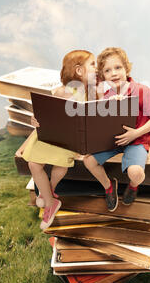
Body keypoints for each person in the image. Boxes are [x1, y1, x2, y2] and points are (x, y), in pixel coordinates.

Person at [22, 50, 97, 230]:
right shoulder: (61, 91)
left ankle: (48, 197)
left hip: (70, 139)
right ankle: (51, 199)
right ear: (79, 71)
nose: (97, 67)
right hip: (54, 134)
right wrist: (36, 118)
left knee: (61, 164)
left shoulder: (92, 92)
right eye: (93, 64)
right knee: (33, 164)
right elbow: (46, 112)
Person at [83, 47, 150, 212]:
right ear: (103, 76)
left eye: (118, 67)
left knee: (137, 173)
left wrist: (135, 133)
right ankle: (109, 186)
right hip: (115, 140)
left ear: (126, 68)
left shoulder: (142, 91)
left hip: (137, 139)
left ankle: (133, 186)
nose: (113, 73)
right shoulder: (106, 96)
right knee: (88, 160)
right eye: (107, 70)